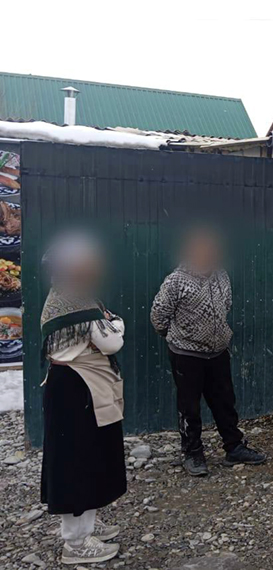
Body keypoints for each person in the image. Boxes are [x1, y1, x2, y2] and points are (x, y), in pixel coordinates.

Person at [150, 228, 266, 477]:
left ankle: (234, 447)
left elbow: (227, 304)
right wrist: (179, 337)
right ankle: (192, 453)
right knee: (189, 407)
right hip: (186, 354)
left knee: (225, 402)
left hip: (218, 351)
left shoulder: (221, 275)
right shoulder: (176, 281)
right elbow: (158, 315)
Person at [39, 233, 126, 565]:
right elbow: (112, 341)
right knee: (76, 460)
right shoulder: (76, 299)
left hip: (74, 387)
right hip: (76, 390)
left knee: (87, 456)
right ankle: (76, 542)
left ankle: (86, 523)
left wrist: (109, 326)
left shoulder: (67, 294)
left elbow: (104, 334)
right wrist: (115, 323)